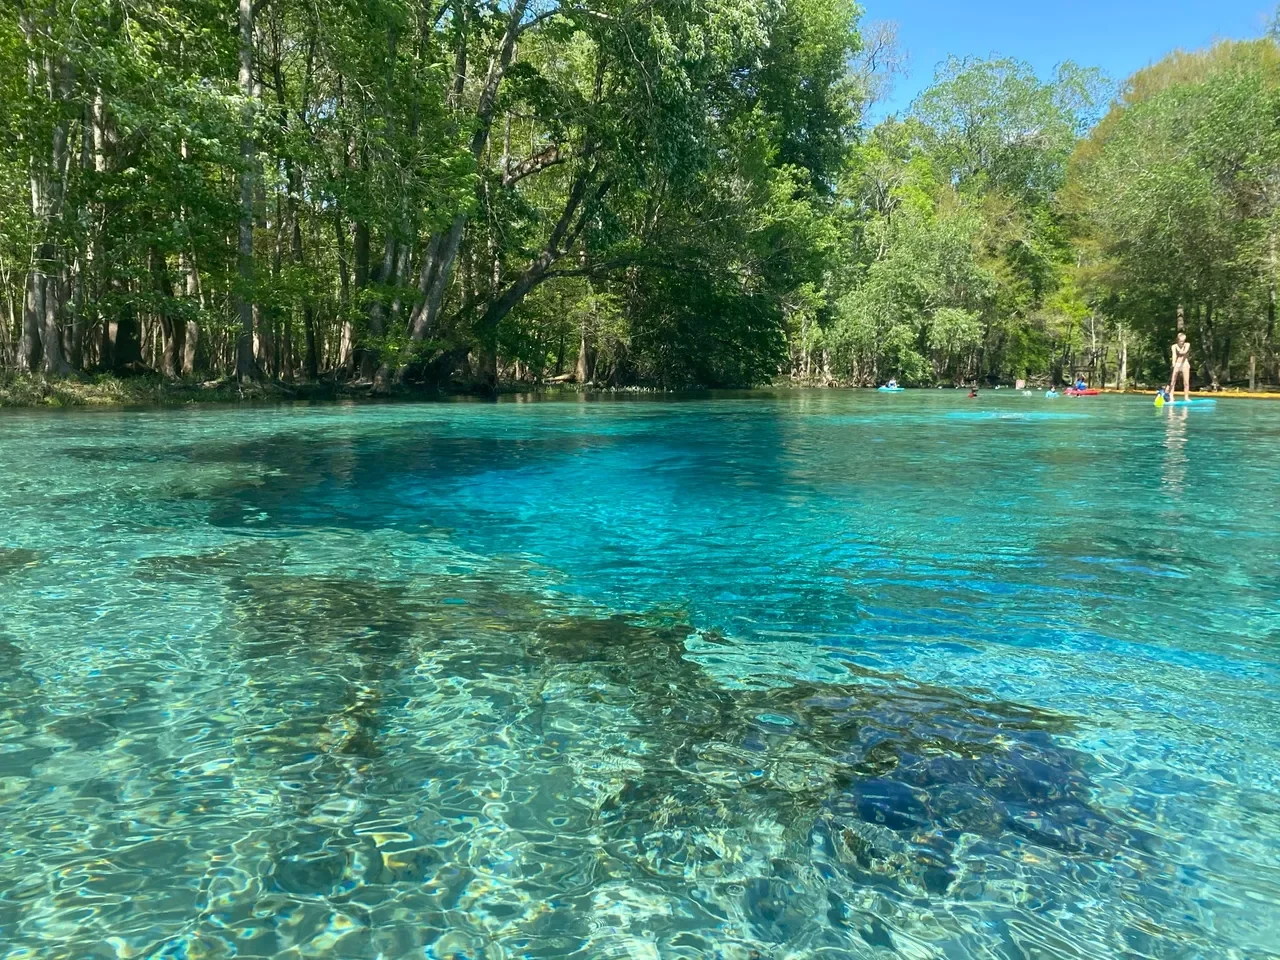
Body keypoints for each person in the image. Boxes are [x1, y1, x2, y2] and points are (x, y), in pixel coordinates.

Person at [1169, 332, 1192, 402]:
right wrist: (1173, 363)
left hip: (1185, 363)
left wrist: (1180, 351)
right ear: (1178, 340)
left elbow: (1184, 352)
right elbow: (1174, 355)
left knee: (1186, 382)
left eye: (1183, 341)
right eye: (1181, 341)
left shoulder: (1187, 344)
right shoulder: (1174, 346)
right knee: (1173, 381)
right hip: (1177, 363)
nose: (1182, 342)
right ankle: (1171, 397)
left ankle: (1186, 397)